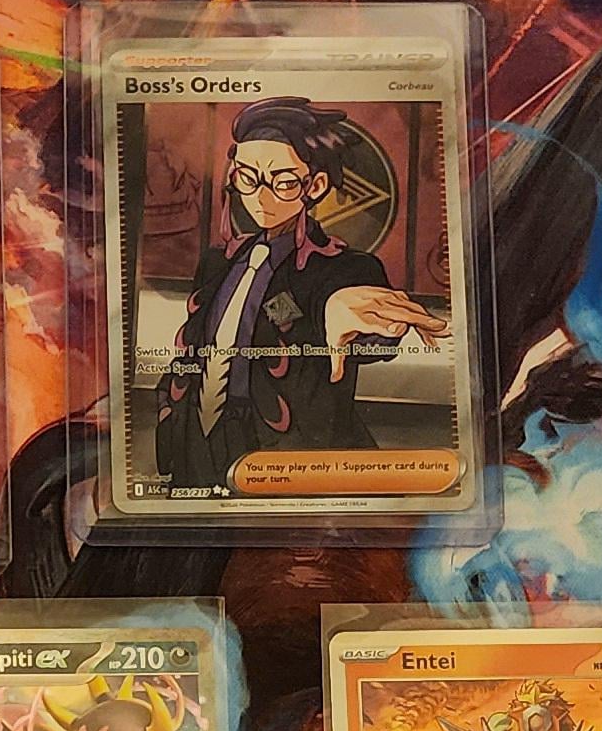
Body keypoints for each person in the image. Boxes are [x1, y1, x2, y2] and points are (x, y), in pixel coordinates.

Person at [152, 95, 453, 494]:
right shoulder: (216, 263)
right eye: (247, 177)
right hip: (199, 444)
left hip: (289, 457)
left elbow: (341, 306)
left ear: (316, 186)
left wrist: (340, 315)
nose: (261, 196)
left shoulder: (343, 268)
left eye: (283, 182)